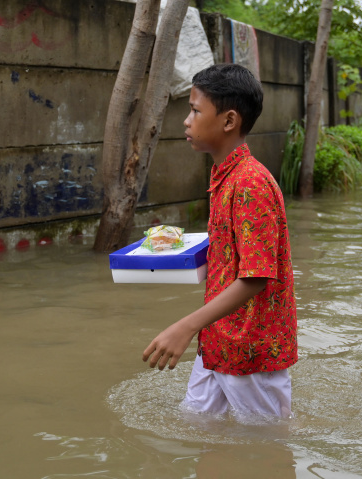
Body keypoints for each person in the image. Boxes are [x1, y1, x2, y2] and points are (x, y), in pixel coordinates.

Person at [142, 64, 298, 418]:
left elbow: (256, 277)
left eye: (196, 110)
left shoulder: (250, 183)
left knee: (267, 449)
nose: (186, 120)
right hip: (219, 340)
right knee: (197, 425)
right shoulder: (225, 174)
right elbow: (233, 253)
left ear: (229, 121)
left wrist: (185, 326)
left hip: (250, 351)